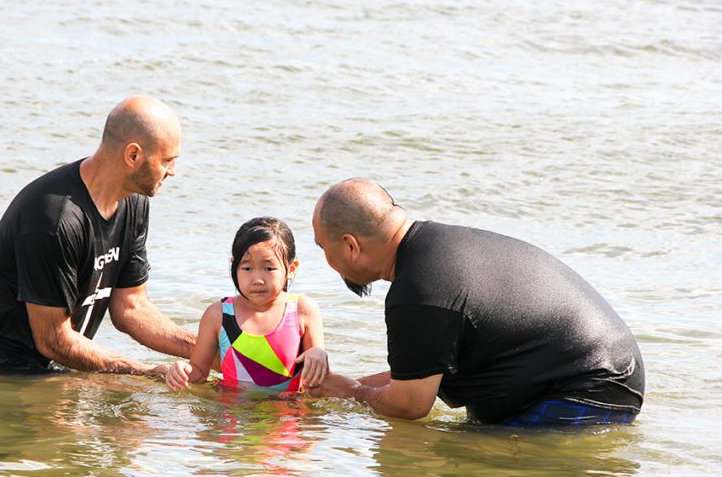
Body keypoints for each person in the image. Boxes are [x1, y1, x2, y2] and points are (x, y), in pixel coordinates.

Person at [308, 178, 644, 426]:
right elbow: (419, 373)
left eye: (324, 248)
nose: (325, 258)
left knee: (454, 462)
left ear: (351, 245)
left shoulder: (419, 291)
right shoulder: (439, 250)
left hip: (587, 390)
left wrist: (350, 392)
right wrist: (351, 384)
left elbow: (410, 405)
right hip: (606, 373)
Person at [0, 96, 196, 375]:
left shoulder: (134, 203)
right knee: (140, 397)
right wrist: (143, 372)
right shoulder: (55, 217)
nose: (172, 171)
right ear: (133, 155)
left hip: (53, 362)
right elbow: (52, 339)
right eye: (167, 160)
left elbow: (131, 306)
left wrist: (207, 351)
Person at [160, 217, 329, 394]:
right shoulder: (219, 315)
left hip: (286, 416)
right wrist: (182, 371)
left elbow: (317, 378)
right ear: (234, 266)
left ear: (291, 268)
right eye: (247, 268)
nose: (257, 280)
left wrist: (318, 354)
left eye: (269, 268)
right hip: (233, 415)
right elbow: (200, 372)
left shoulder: (303, 310)